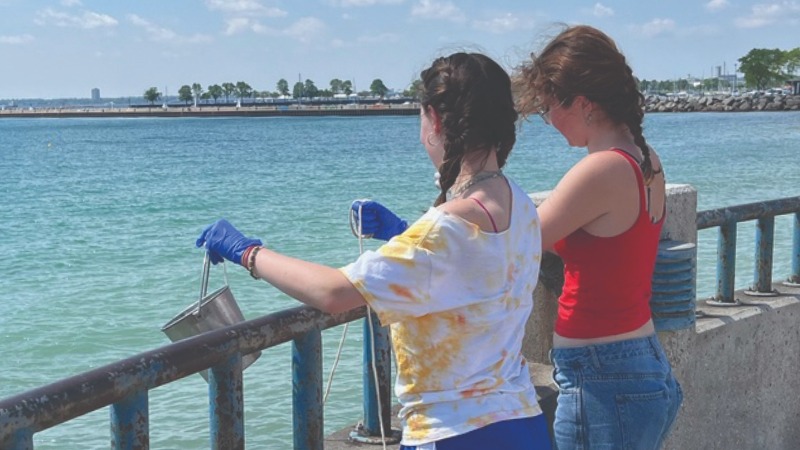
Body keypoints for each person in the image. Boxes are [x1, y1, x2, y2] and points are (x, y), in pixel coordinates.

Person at [196, 52, 553, 449]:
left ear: (434, 119)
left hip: (454, 432)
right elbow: (474, 268)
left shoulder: (444, 228)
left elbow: (335, 292)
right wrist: (403, 233)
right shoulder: (520, 205)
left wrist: (247, 252)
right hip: (524, 423)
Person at [511, 25, 683, 449]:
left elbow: (519, 240)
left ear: (585, 104)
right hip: (638, 362)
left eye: (551, 106)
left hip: (602, 376)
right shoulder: (647, 160)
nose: (549, 120)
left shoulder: (600, 170)